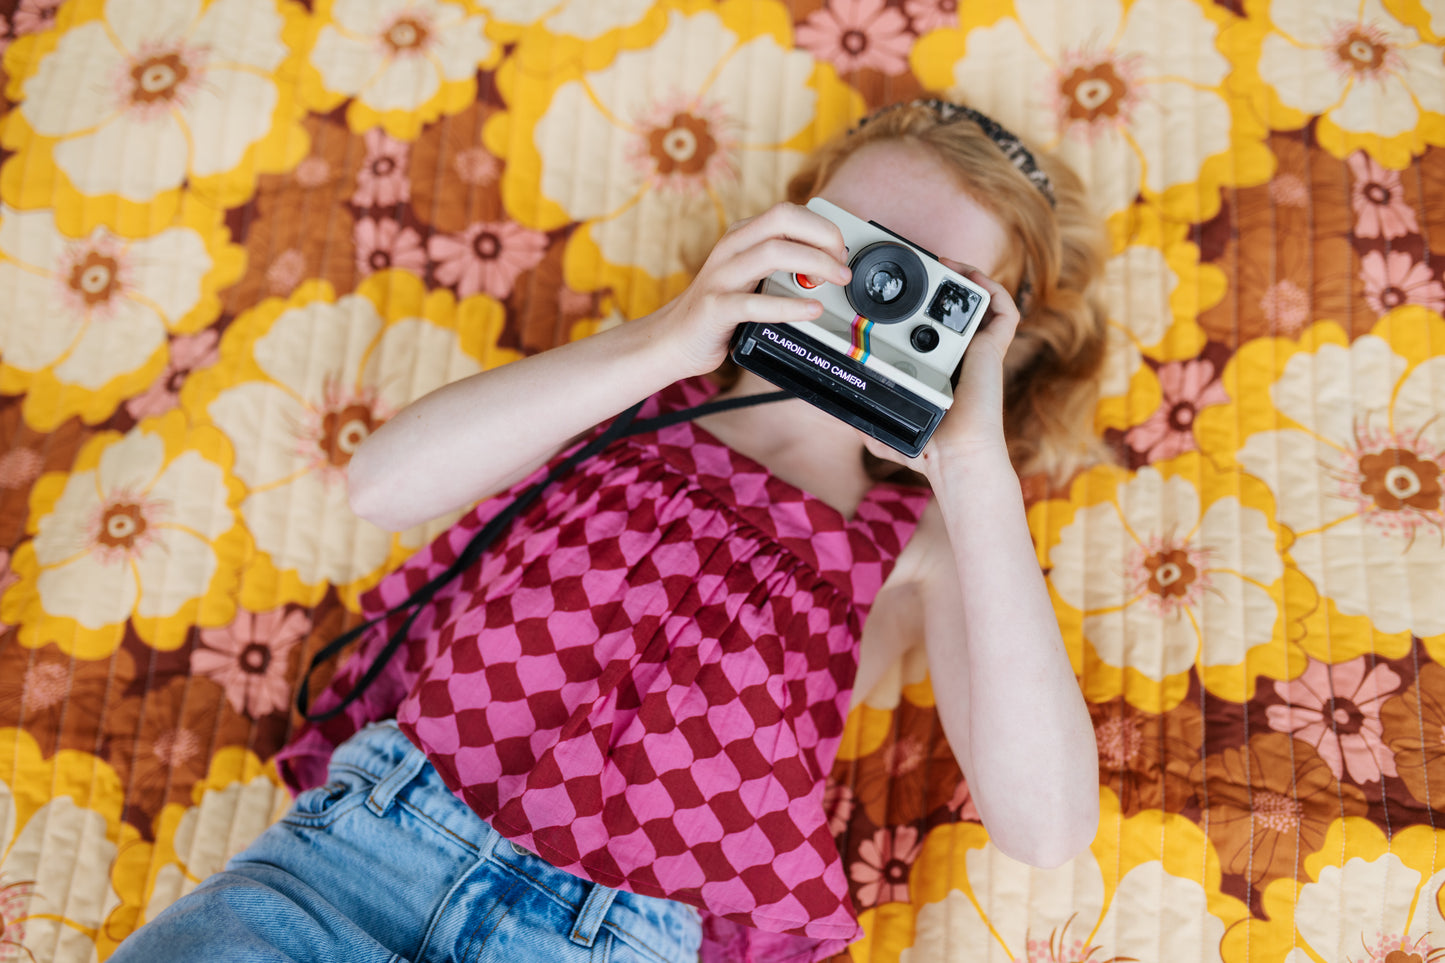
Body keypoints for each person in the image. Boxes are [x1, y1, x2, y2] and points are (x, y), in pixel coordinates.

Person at [111, 98, 1107, 963]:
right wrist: (674, 332)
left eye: (935, 288)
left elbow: (1047, 825)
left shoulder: (921, 540)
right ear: (783, 230)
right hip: (353, 860)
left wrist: (972, 469)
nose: (875, 293)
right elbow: (380, 484)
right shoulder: (624, 388)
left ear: (993, 341)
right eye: (857, 244)